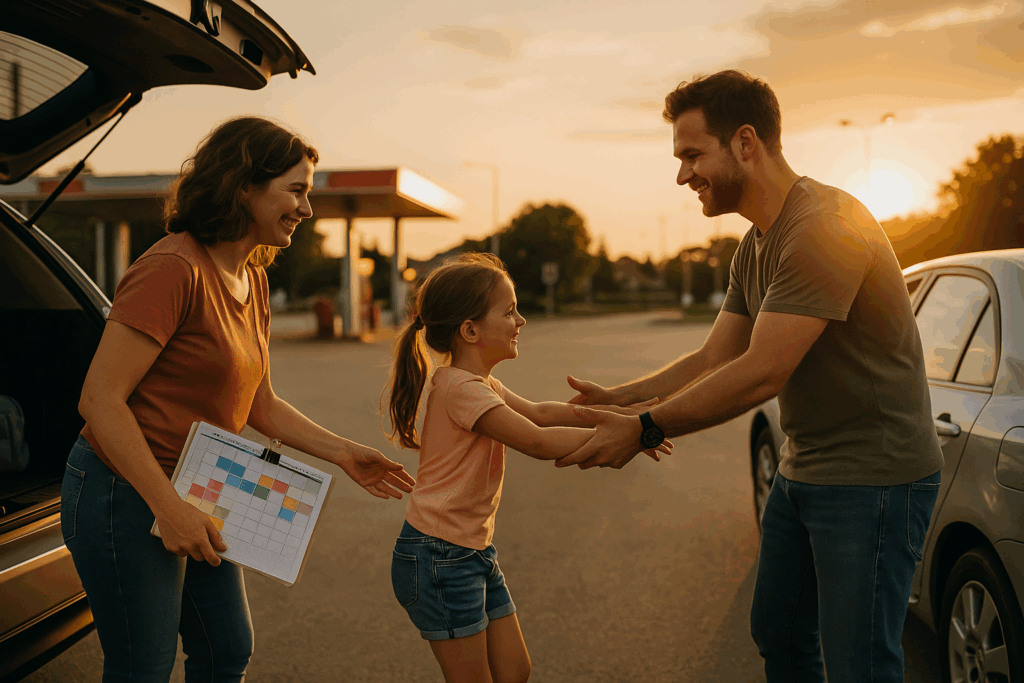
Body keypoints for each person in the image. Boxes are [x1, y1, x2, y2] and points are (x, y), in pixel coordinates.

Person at [558, 70, 943, 682]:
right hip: (806, 467)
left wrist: (644, 429)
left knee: (861, 666)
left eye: (691, 154)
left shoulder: (822, 226)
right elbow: (715, 358)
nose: (682, 175)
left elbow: (762, 372)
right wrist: (622, 398)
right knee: (780, 634)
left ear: (744, 143)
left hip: (873, 479)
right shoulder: (755, 244)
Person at [62, 116, 416, 683]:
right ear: (244, 185)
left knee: (227, 649)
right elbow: (99, 400)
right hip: (123, 492)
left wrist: (345, 452)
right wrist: (168, 507)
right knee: (142, 668)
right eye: (295, 190)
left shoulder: (253, 280)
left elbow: (261, 403)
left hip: (200, 487)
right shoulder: (172, 268)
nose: (306, 208)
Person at [383, 253, 670, 683]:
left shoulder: (477, 383)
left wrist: (624, 416)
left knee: (515, 670)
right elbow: (536, 441)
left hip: (468, 551)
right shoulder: (460, 389)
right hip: (439, 554)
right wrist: (625, 435)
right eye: (510, 310)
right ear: (470, 330)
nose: (521, 321)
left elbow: (539, 412)